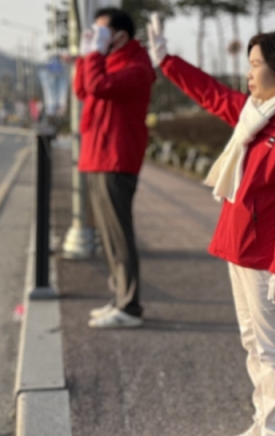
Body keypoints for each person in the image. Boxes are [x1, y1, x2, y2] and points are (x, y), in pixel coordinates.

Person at [146, 18, 275, 436]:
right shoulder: (258, 114)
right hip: (241, 246)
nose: (248, 74)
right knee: (253, 342)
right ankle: (263, 421)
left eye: (255, 64)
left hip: (268, 257)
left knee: (272, 347)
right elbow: (210, 93)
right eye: (248, 64)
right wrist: (166, 60)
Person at [74, 8, 156, 329]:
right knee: (107, 237)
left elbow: (98, 86)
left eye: (102, 32)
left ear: (120, 35)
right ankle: (118, 297)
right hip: (98, 155)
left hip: (116, 159)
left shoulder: (137, 66)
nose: (97, 38)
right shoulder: (110, 61)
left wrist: (94, 56)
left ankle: (129, 306)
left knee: (119, 236)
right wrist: (85, 57)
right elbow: (82, 89)